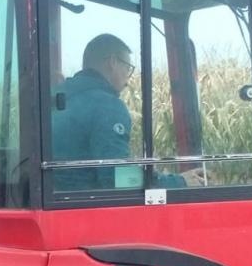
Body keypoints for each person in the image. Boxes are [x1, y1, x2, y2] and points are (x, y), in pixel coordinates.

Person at [50, 34, 201, 190]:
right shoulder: (107, 106)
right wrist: (179, 182)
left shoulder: (55, 98)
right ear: (112, 63)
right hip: (88, 208)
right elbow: (116, 178)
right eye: (127, 69)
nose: (127, 81)